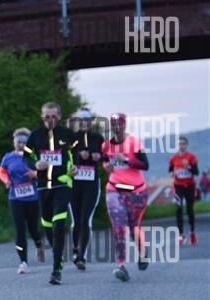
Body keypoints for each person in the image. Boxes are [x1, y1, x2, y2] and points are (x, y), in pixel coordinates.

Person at [24, 102, 78, 285]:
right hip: (42, 186)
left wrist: (76, 166)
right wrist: (35, 164)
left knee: (58, 223)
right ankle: (58, 254)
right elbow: (25, 157)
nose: (50, 120)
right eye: (47, 116)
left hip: (62, 183)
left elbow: (77, 151)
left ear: (60, 116)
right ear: (42, 117)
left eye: (54, 116)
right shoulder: (35, 136)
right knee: (47, 225)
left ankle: (56, 269)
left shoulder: (67, 134)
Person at [101, 112, 149, 281]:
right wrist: (106, 166)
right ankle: (121, 265)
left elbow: (145, 165)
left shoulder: (134, 142)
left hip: (136, 192)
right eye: (114, 124)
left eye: (120, 124)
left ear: (125, 125)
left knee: (134, 227)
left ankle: (142, 252)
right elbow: (105, 160)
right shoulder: (106, 145)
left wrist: (127, 160)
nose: (117, 127)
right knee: (119, 226)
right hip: (114, 190)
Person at [0, 127, 44, 274]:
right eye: (18, 142)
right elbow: (2, 171)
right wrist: (6, 180)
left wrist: (35, 174)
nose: (21, 145)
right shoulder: (8, 157)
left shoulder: (34, 156)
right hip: (15, 197)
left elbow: (46, 171)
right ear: (14, 142)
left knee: (33, 228)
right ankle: (23, 262)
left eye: (24, 142)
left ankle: (39, 244)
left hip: (32, 197)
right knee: (20, 230)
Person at [69, 108, 104, 269]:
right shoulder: (71, 138)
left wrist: (100, 157)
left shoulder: (98, 138)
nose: (84, 123)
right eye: (81, 120)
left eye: (87, 120)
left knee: (85, 220)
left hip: (91, 183)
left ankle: (82, 256)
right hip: (74, 183)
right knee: (76, 221)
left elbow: (107, 158)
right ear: (77, 121)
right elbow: (64, 157)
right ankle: (75, 250)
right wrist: (78, 156)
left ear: (91, 122)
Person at [168, 136, 199, 246]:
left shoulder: (191, 157)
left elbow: (196, 172)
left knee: (190, 209)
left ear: (187, 145)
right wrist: (172, 173)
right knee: (178, 208)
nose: (181, 146)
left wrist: (188, 167)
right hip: (178, 186)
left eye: (183, 144)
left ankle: (192, 231)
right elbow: (170, 170)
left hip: (189, 186)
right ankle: (181, 235)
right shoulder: (173, 158)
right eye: (179, 144)